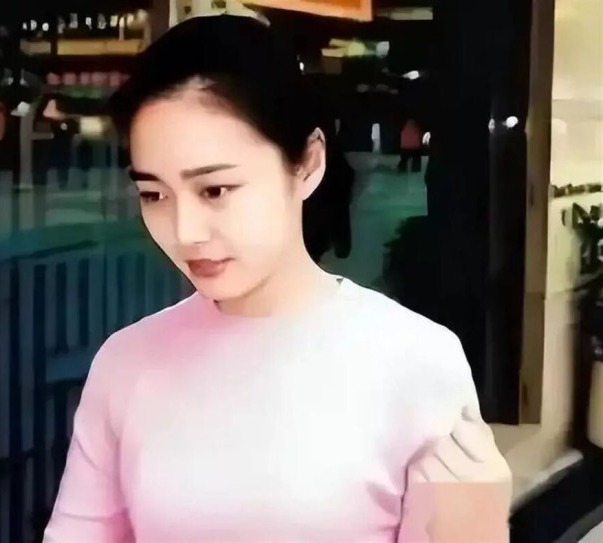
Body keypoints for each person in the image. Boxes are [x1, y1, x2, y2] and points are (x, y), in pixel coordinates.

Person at [44, 15, 511, 543]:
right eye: (154, 194)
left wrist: (477, 529)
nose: (185, 230)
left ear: (308, 163)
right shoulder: (126, 363)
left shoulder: (416, 361)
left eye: (215, 190)